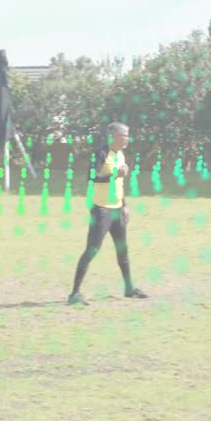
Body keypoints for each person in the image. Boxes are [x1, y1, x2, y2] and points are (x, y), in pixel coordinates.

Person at [67, 122, 148, 305]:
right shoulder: (101, 154)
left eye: (127, 136)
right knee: (92, 250)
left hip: (117, 210)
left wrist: (124, 205)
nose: (127, 139)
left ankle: (129, 289)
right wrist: (115, 175)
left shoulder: (121, 154)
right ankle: (74, 294)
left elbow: (119, 184)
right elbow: (92, 177)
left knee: (123, 251)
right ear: (113, 137)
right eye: (123, 136)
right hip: (101, 210)